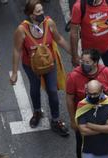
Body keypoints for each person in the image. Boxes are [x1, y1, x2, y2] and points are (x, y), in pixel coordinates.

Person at [10, 2, 70, 137]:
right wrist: (14, 73)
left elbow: (59, 39)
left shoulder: (49, 23)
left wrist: (74, 55)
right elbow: (16, 50)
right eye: (38, 12)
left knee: (53, 91)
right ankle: (37, 111)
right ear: (31, 15)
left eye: (42, 10)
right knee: (35, 88)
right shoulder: (21, 30)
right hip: (31, 67)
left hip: (50, 65)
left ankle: (55, 120)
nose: (41, 14)